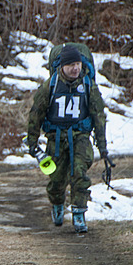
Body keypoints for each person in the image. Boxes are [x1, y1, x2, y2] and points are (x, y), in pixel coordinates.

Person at [26, 43, 109, 233]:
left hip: (80, 136)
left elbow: (99, 115)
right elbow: (35, 114)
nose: (75, 68)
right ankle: (57, 203)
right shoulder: (50, 86)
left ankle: (79, 213)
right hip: (56, 139)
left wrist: (102, 145)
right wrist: (32, 142)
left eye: (78, 64)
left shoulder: (88, 85)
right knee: (56, 180)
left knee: (79, 173)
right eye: (71, 64)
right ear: (62, 66)